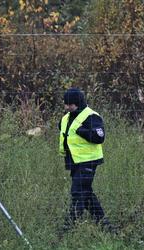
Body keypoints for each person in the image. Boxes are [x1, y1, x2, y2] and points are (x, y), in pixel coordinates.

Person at [58, 87, 113, 234]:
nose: (67, 107)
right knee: (87, 194)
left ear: (78, 102)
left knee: (78, 193)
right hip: (74, 162)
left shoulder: (91, 116)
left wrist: (81, 131)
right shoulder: (66, 117)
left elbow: (99, 137)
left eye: (70, 104)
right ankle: (107, 227)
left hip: (88, 161)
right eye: (66, 104)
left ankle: (68, 229)